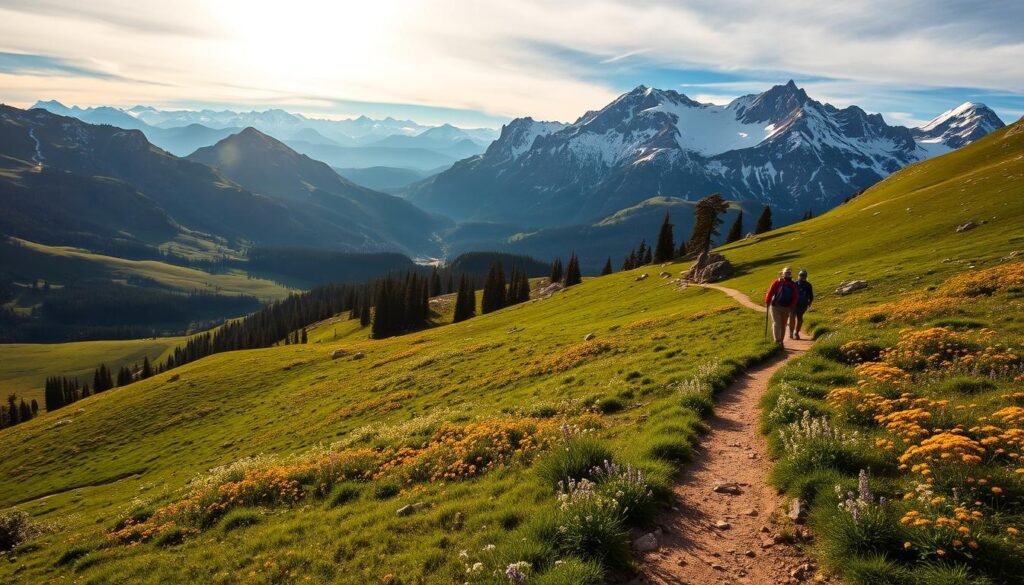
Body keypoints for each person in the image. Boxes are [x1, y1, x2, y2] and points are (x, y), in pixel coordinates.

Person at [764, 267, 798, 345]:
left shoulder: (778, 282)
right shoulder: (793, 284)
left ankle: (778, 341)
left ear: (783, 274)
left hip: (775, 306)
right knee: (782, 324)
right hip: (785, 307)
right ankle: (780, 341)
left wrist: (767, 301)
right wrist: (792, 306)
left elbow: (770, 292)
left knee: (777, 323)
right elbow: (795, 296)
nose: (788, 274)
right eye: (787, 273)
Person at [789, 269, 814, 340]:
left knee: (792, 317)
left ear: (799, 276)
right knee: (799, 318)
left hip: (794, 303)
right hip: (803, 304)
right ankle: (796, 333)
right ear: (806, 276)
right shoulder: (809, 285)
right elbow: (811, 296)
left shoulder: (795, 283)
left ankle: (792, 333)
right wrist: (809, 303)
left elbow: (790, 293)